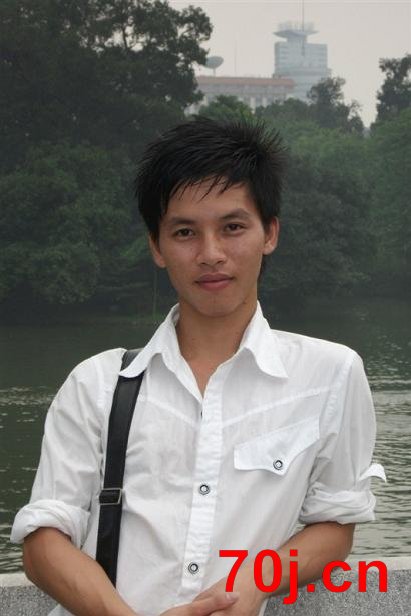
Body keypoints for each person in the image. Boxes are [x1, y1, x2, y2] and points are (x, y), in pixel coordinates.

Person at [11, 116, 385, 616]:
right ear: (156, 246)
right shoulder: (98, 384)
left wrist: (256, 581)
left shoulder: (331, 375)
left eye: (233, 227)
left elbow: (336, 525)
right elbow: (42, 542)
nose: (211, 254)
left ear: (270, 232)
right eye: (185, 232)